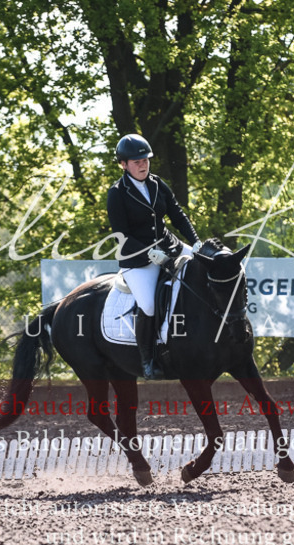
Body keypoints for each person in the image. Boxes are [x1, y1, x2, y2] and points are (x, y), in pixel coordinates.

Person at [107, 133, 202, 379]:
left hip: (169, 246)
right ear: (124, 164)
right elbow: (121, 234)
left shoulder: (158, 184)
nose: (143, 164)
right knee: (148, 305)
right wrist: (149, 253)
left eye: (146, 159)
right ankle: (147, 359)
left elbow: (178, 215)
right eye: (136, 161)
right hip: (136, 257)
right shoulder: (117, 193)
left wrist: (195, 242)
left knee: (204, 270)